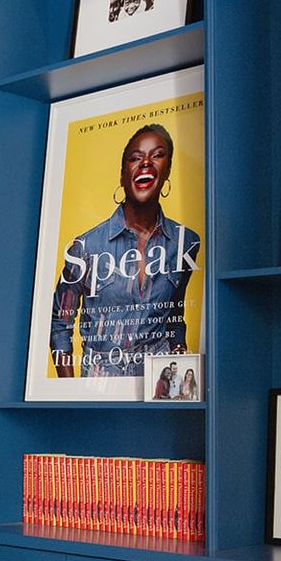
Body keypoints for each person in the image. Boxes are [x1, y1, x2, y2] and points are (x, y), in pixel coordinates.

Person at [50, 122, 202, 380]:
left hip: (159, 381)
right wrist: (71, 392)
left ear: (167, 171)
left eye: (157, 155)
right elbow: (59, 325)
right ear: (122, 176)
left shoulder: (186, 243)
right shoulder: (85, 247)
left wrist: (179, 362)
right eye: (135, 158)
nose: (146, 163)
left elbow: (175, 315)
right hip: (99, 382)